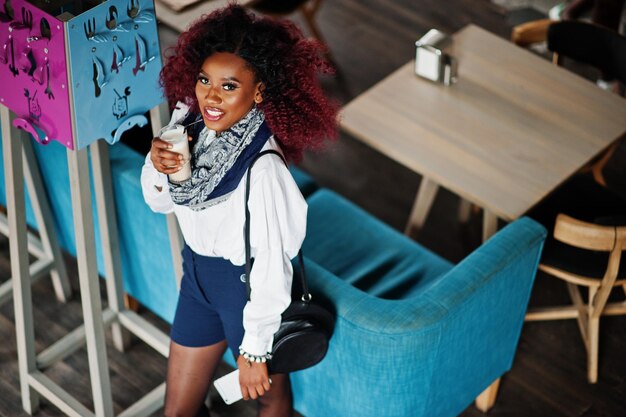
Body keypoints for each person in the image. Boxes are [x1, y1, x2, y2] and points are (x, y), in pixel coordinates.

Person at [140, 5, 338, 417]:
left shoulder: (263, 167)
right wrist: (157, 166)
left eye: (230, 87)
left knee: (270, 397)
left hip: (243, 289)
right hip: (195, 277)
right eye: (205, 80)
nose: (211, 96)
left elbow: (272, 258)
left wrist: (255, 345)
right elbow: (160, 203)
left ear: (259, 92)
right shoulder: (188, 128)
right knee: (176, 410)